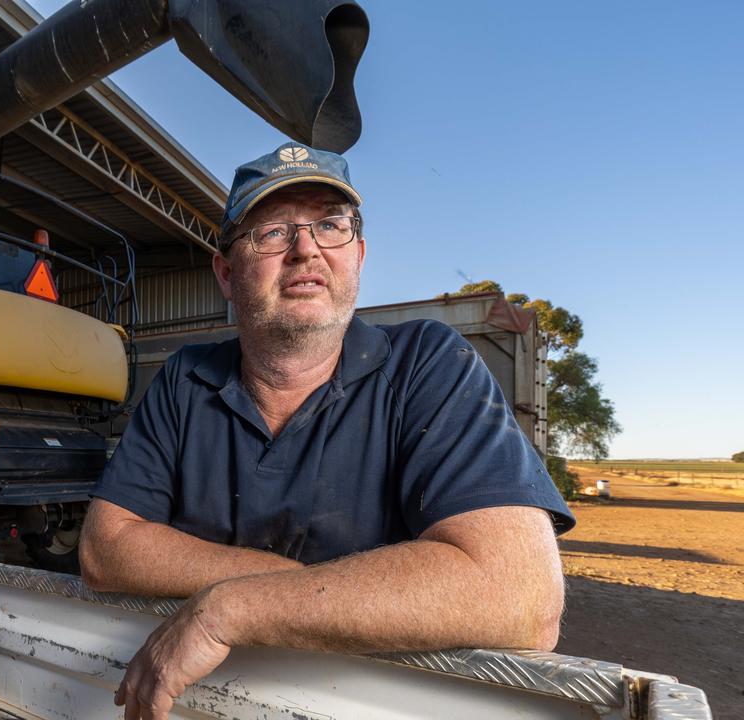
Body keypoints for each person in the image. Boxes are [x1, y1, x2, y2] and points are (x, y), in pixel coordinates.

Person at [79, 141, 575, 720]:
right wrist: (320, 590)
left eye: (330, 225)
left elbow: (519, 595)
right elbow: (104, 548)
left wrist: (227, 609)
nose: (306, 250)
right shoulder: (185, 379)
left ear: (358, 255)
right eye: (272, 233)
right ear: (226, 272)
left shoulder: (427, 363)